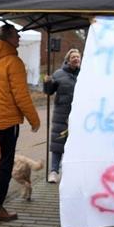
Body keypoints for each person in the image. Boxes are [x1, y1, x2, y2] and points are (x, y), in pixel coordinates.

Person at [0, 24, 40, 221]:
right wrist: (34, 119)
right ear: (7, 38)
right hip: (7, 121)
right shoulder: (13, 61)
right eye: (16, 35)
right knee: (4, 164)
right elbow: (21, 95)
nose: (19, 39)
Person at [43, 48, 81, 183]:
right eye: (73, 57)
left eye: (78, 57)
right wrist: (47, 83)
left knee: (77, 144)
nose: (76, 59)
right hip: (61, 114)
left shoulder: (85, 74)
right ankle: (53, 171)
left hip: (79, 114)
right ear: (67, 60)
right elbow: (49, 92)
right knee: (58, 143)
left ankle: (73, 172)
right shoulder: (58, 74)